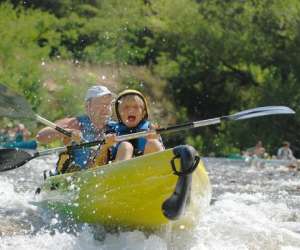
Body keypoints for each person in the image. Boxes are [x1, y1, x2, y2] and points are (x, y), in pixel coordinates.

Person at [36, 85, 116, 173]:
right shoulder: (75, 124)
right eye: (101, 104)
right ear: (88, 106)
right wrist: (68, 132)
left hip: (101, 174)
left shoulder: (114, 127)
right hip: (71, 178)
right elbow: (40, 137)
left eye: (108, 104)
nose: (106, 108)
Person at [109, 89, 164, 161]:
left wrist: (155, 138)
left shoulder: (150, 128)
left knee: (153, 143)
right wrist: (106, 146)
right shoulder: (112, 132)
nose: (131, 110)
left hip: (147, 168)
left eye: (136, 107)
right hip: (122, 168)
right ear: (119, 113)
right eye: (126, 107)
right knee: (126, 146)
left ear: (143, 114)